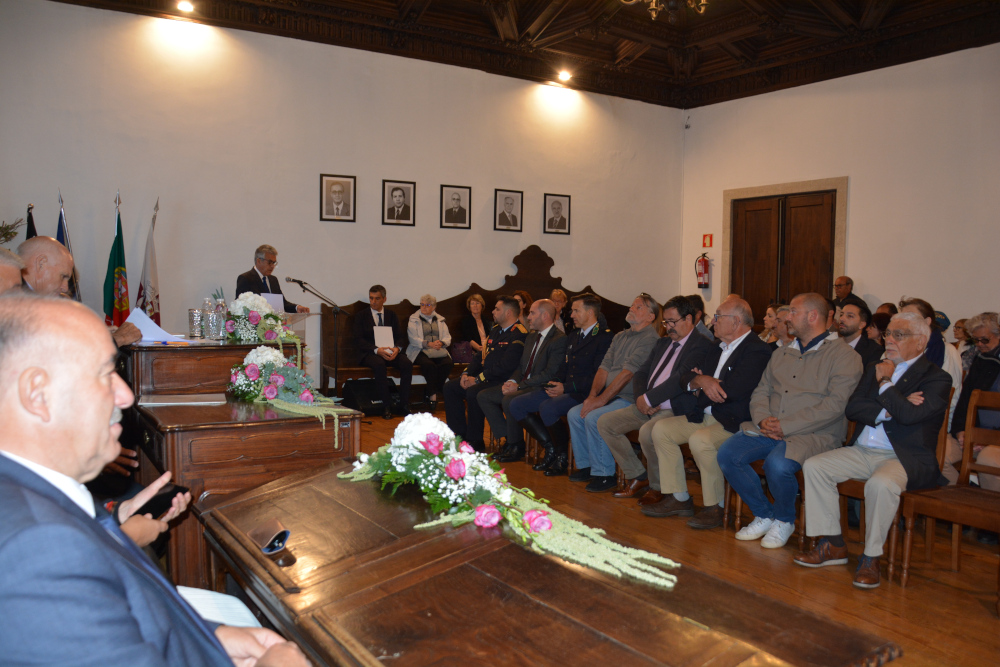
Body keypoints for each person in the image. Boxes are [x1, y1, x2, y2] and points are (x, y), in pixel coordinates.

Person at [0, 294, 308, 667]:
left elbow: (125, 617)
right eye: (104, 374)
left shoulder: (33, 488)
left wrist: (212, 636)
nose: (126, 394)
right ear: (37, 393)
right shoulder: (37, 550)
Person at [796, 312, 952, 589]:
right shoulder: (874, 367)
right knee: (815, 466)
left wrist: (886, 384)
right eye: (888, 334)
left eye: (899, 335)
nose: (889, 340)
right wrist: (892, 407)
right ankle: (833, 544)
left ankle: (870, 558)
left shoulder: (936, 378)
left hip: (903, 457)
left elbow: (910, 417)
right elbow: (854, 408)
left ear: (920, 342)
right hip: (862, 451)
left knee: (881, 484)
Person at [717, 292, 862, 549]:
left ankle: (785, 519)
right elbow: (761, 391)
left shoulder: (844, 356)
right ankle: (764, 513)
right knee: (728, 453)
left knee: (778, 465)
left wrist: (787, 425)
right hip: (771, 428)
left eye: (793, 312)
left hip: (815, 434)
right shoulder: (782, 353)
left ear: (813, 316)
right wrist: (763, 419)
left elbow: (834, 405)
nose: (787, 317)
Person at [640, 297, 772, 528]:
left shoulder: (757, 350)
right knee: (661, 429)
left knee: (701, 440)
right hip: (703, 413)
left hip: (732, 420)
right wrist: (701, 379)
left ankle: (716, 507)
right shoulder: (716, 346)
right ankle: (679, 497)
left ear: (736, 321)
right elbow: (686, 378)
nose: (714, 321)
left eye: (719, 316)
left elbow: (734, 389)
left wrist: (705, 382)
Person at [596, 295, 716, 496]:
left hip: (672, 408)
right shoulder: (662, 343)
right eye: (665, 322)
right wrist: (642, 398)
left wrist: (650, 399)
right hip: (647, 403)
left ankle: (659, 487)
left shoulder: (701, 345)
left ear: (688, 319)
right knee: (605, 423)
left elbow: (679, 379)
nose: (668, 327)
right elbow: (641, 373)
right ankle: (639, 475)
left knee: (648, 432)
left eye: (673, 322)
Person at [506, 294, 613, 475]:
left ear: (590, 312)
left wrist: (566, 388)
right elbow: (564, 367)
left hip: (582, 392)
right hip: (564, 388)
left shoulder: (603, 338)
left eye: (576, 310)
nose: (571, 315)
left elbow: (597, 376)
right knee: (516, 404)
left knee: (548, 408)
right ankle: (551, 448)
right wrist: (553, 384)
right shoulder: (574, 336)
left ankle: (562, 456)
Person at [567, 294, 660, 491]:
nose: (632, 308)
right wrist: (592, 396)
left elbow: (627, 374)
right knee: (575, 414)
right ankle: (587, 466)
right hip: (611, 397)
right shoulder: (620, 336)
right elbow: (604, 368)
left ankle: (604, 474)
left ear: (651, 317)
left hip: (629, 399)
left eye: (639, 307)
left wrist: (600, 401)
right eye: (632, 305)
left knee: (594, 417)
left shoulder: (650, 339)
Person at [478, 299, 566, 463]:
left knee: (510, 399)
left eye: (532, 313)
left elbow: (549, 374)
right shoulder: (532, 336)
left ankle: (516, 444)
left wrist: (519, 386)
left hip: (538, 387)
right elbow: (521, 365)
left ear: (545, 315)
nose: (528, 317)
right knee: (484, 396)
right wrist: (512, 381)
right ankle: (508, 439)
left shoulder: (558, 339)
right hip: (524, 383)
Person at [19, 236, 140, 346]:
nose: (65, 288)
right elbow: (56, 355)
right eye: (63, 276)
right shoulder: (14, 303)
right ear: (41, 263)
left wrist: (95, 335)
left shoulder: (30, 299)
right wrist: (117, 339)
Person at [443, 296, 526, 452]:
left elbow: (506, 366)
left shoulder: (519, 333)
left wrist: (479, 379)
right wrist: (466, 373)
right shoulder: (496, 330)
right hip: (486, 377)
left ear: (508, 313)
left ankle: (475, 440)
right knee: (450, 388)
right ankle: (460, 436)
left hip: (501, 380)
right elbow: (480, 356)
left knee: (475, 391)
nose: (493, 311)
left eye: (497, 309)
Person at [943, 312, 1000, 488]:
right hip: (972, 434)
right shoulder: (980, 359)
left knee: (987, 460)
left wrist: (985, 438)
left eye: (985, 340)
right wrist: (961, 431)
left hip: (994, 438)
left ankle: (987, 512)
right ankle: (963, 495)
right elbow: (966, 400)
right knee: (933, 452)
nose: (980, 345)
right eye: (976, 340)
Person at [353, 285, 413, 419]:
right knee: (379, 365)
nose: (373, 301)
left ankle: (404, 404)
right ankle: (386, 406)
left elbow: (400, 337)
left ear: (384, 299)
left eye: (377, 298)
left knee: (407, 363)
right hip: (370, 353)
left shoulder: (391, 315)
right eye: (371, 298)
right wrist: (376, 350)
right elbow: (359, 340)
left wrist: (397, 349)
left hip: (390, 351)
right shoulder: (361, 316)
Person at [406, 294, 453, 412]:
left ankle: (430, 390)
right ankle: (433, 395)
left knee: (447, 363)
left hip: (438, 350)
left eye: (427, 305)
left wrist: (441, 343)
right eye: (422, 304)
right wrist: (427, 344)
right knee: (429, 365)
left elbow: (448, 337)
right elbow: (413, 339)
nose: (424, 307)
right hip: (420, 350)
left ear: (434, 307)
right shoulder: (414, 319)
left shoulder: (440, 320)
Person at [235, 244, 309, 314]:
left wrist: (297, 307)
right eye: (270, 262)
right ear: (259, 261)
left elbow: (281, 304)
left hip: (273, 325)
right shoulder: (246, 278)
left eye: (274, 263)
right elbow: (241, 306)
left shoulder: (273, 280)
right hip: (255, 325)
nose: (272, 266)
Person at [839, 301, 883, 369]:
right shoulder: (831, 345)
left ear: (861, 324)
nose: (842, 319)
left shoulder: (873, 351)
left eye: (850, 316)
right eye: (841, 315)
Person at [459, 294, 491, 360]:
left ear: (482, 305)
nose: (475, 306)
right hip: (475, 350)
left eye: (477, 303)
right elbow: (468, 339)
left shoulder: (487, 321)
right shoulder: (466, 321)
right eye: (472, 303)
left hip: (488, 348)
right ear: (469, 307)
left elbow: (491, 336)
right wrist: (480, 349)